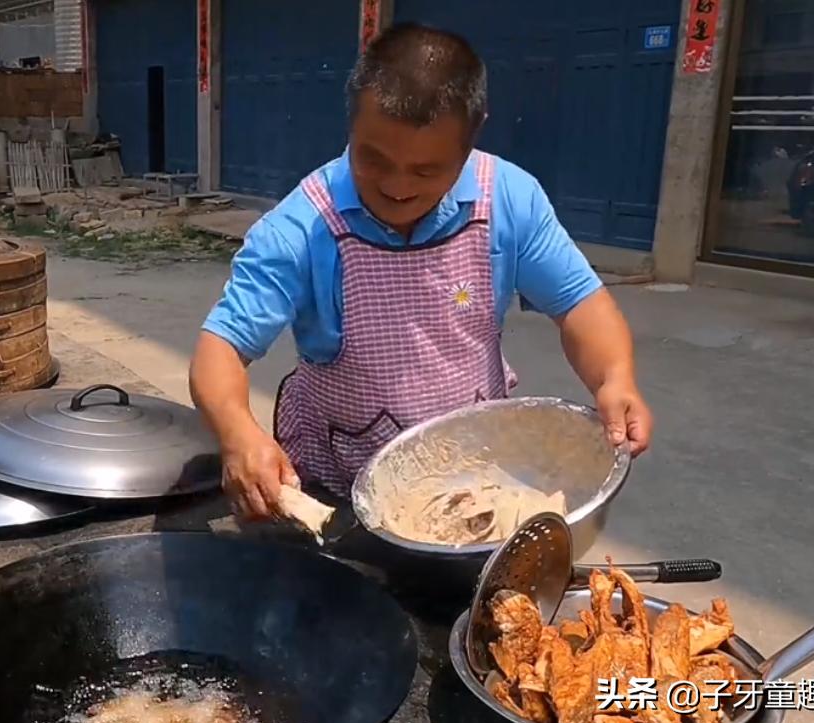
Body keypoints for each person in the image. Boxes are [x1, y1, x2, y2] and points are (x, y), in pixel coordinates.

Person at [189, 23, 653, 522]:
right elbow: (222, 349)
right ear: (351, 123)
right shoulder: (300, 228)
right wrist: (238, 433)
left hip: (474, 476)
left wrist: (615, 378)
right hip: (339, 486)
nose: (396, 186)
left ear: (473, 137)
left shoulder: (509, 199)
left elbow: (580, 304)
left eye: (427, 170)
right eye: (374, 159)